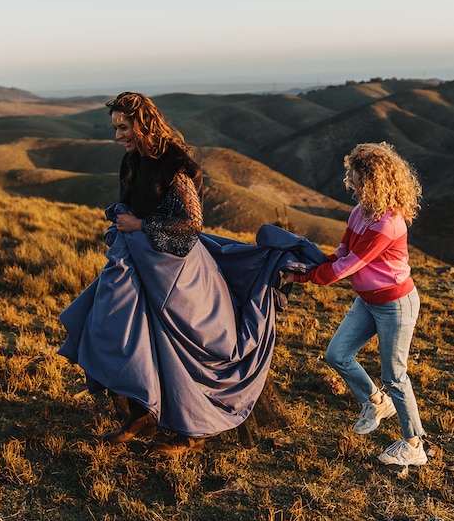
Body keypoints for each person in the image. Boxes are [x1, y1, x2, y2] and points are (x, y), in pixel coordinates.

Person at [58, 92, 325, 458]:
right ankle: (142, 412)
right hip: (140, 263)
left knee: (181, 349)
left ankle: (190, 433)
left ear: (143, 124)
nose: (118, 135)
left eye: (123, 127)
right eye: (116, 127)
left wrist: (140, 224)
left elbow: (189, 227)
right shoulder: (132, 159)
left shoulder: (174, 162)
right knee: (121, 329)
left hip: (177, 272)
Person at [282, 142, 428, 467]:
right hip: (368, 301)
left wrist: (301, 279)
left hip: (395, 304)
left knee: (395, 375)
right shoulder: (359, 213)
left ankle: (413, 444)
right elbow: (340, 254)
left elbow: (344, 269)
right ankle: (376, 401)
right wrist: (304, 265)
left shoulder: (388, 223)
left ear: (376, 182)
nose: (353, 186)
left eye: (359, 181)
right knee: (337, 354)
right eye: (353, 179)